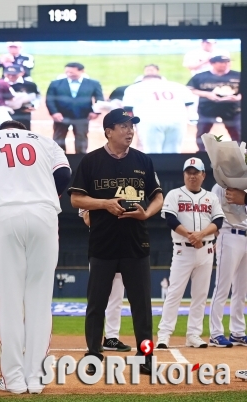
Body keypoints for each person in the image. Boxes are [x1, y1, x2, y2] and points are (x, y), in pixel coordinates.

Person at [0, 118, 70, 394]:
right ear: (23, 131)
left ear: (3, 132)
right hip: (43, 215)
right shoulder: (44, 141)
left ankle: (13, 380)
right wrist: (44, 194)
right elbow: (64, 176)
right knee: (39, 300)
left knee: (9, 302)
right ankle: (35, 379)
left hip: (3, 215)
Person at [69, 108, 164, 375]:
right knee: (96, 304)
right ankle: (93, 354)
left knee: (142, 306)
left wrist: (148, 212)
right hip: (103, 243)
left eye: (132, 126)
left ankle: (146, 357)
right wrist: (105, 204)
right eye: (123, 126)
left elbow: (158, 196)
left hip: (136, 243)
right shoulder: (91, 161)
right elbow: (76, 199)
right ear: (108, 131)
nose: (130, 130)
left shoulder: (143, 161)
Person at [157, 158, 224, 349]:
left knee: (200, 295)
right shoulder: (175, 194)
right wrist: (190, 235)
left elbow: (218, 221)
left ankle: (193, 334)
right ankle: (164, 335)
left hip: (206, 249)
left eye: (196, 172)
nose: (192, 176)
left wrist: (201, 235)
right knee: (174, 293)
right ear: (184, 174)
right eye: (189, 172)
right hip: (182, 249)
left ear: (203, 175)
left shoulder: (211, 197)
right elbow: (170, 219)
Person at [80, 209, 131, 352]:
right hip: (100, 248)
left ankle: (111, 338)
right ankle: (94, 342)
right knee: (96, 299)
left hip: (122, 246)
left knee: (117, 297)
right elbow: (88, 219)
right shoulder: (90, 193)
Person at [208, 185, 247, 347]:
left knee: (241, 290)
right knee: (222, 288)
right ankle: (215, 332)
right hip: (229, 233)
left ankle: (237, 332)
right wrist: (220, 235)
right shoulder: (221, 185)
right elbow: (211, 212)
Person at [122, 75, 195, 153]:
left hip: (150, 121)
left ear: (143, 80)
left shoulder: (135, 87)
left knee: (152, 152)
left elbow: (128, 109)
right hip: (177, 120)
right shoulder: (178, 86)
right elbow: (189, 103)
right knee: (173, 152)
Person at [45, 62, 104, 154]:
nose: (69, 74)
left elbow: (99, 99)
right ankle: (59, 161)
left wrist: (96, 112)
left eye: (71, 72)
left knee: (81, 139)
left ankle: (80, 161)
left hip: (82, 116)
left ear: (82, 71)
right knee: (58, 139)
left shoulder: (93, 83)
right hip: (61, 116)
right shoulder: (55, 84)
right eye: (67, 72)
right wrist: (54, 112)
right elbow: (50, 99)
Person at [187, 55, 241, 152]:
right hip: (207, 108)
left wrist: (238, 97)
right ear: (212, 64)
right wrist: (207, 94)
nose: (226, 64)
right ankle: (203, 153)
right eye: (222, 62)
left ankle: (239, 153)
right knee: (203, 133)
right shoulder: (200, 76)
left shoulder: (238, 75)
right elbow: (190, 89)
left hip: (232, 109)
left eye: (228, 62)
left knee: (237, 132)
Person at [2, 65, 40, 131]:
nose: (11, 76)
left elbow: (37, 96)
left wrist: (34, 106)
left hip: (23, 112)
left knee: (24, 133)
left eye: (14, 74)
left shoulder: (29, 85)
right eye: (9, 74)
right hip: (4, 112)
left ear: (21, 73)